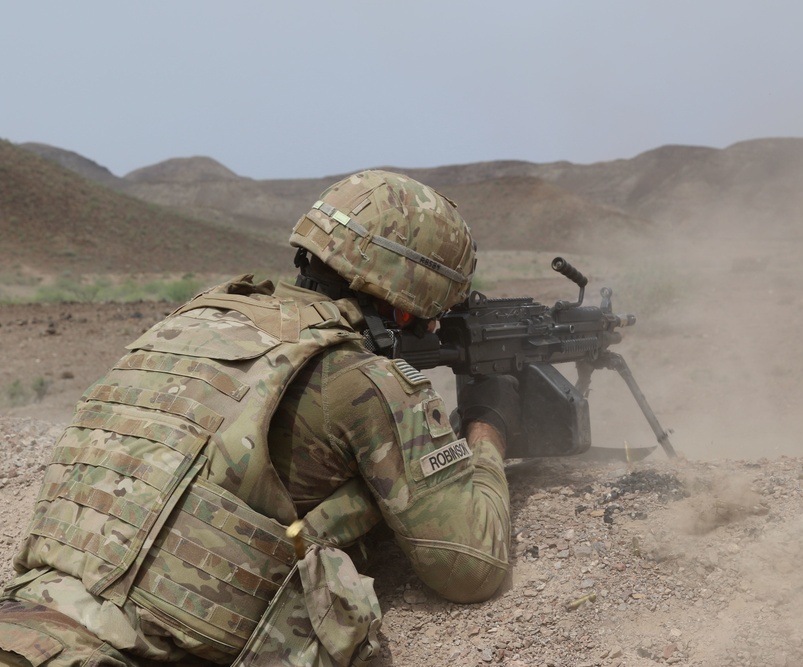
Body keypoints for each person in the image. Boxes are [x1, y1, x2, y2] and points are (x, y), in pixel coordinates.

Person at [0, 170, 518, 667]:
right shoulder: (360, 379)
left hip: (30, 612)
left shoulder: (194, 321)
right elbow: (470, 570)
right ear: (411, 301)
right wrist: (486, 422)